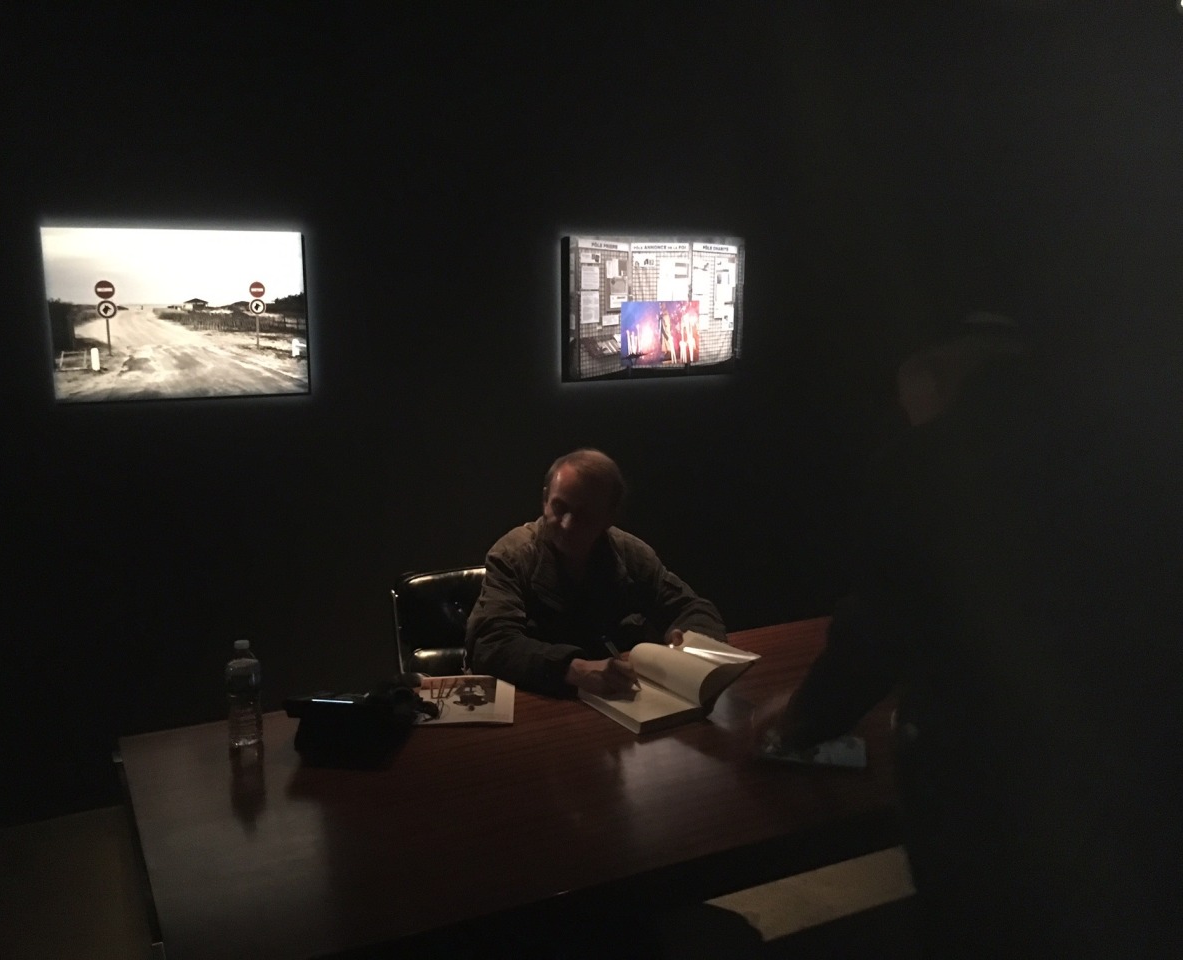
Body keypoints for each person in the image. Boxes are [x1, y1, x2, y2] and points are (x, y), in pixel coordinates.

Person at [760, 318, 1182, 957]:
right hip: (1132, 758)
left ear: (933, 383)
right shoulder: (1120, 439)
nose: (911, 422)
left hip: (978, 771)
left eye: (912, 408)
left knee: (973, 923)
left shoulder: (926, 464)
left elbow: (879, 625)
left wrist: (800, 721)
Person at [466, 448, 728, 699]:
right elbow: (491, 644)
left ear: (610, 515)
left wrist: (688, 642)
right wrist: (574, 669)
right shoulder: (513, 555)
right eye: (559, 507)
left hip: (620, 698)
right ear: (545, 499)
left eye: (584, 515)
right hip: (542, 701)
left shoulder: (630, 553)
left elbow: (693, 608)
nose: (567, 524)